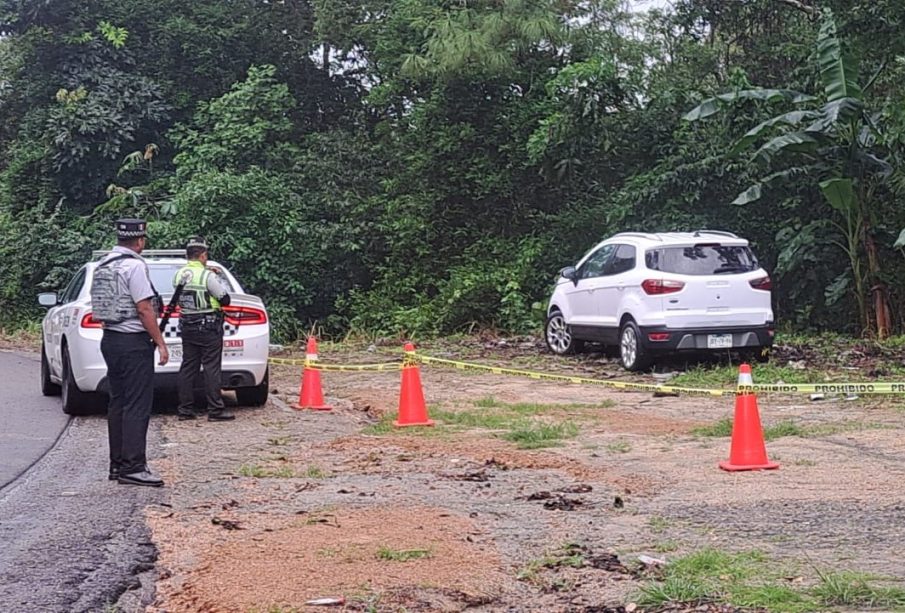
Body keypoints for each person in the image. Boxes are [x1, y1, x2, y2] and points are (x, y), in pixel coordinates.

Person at [92, 218, 168, 487]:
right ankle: (134, 467)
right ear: (140, 241)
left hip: (110, 339)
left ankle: (118, 464)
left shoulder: (103, 265)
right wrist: (160, 342)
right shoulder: (134, 266)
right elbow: (144, 308)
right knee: (138, 403)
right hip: (133, 341)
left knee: (119, 402)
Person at [173, 236, 235, 422]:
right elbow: (225, 299)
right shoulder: (208, 276)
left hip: (187, 325)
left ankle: (185, 410)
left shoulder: (179, 274)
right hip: (208, 326)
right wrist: (216, 277)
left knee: (188, 367)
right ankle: (215, 410)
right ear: (203, 255)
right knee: (211, 368)